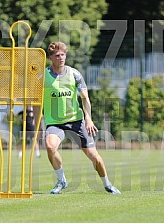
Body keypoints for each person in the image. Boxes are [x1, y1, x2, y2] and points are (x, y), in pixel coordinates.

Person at [43, 41, 121, 194]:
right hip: (55, 123)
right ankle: (61, 181)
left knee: (95, 157)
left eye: (63, 55)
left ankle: (107, 184)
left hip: (76, 121)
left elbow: (85, 98)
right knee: (50, 147)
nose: (61, 58)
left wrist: (89, 119)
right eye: (57, 55)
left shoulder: (74, 74)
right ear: (51, 58)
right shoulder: (43, 76)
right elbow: (36, 101)